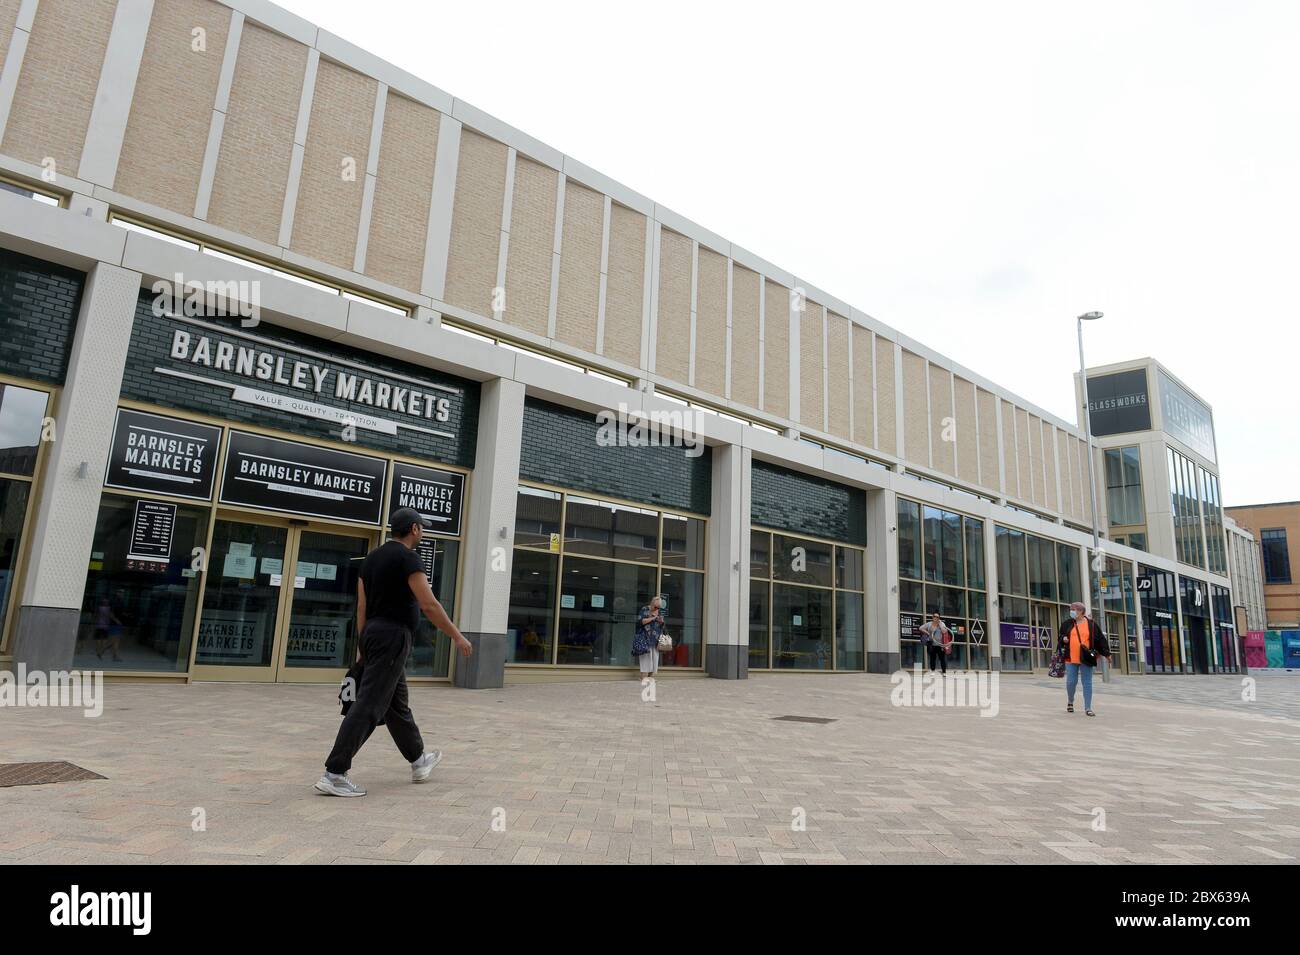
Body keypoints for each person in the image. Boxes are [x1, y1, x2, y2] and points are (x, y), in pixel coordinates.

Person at [316, 508, 473, 797]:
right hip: (393, 637)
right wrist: (457, 636)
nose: (422, 533)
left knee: (396, 706)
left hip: (374, 635)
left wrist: (363, 645)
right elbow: (429, 605)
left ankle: (418, 759)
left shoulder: (371, 559)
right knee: (370, 704)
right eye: (422, 528)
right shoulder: (408, 558)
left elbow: (361, 607)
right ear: (414, 529)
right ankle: (335, 772)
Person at [1057, 600, 1110, 716]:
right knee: (1071, 682)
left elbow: (1100, 639)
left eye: (1074, 609)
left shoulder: (1091, 624)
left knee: (1087, 682)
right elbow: (1061, 637)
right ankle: (1070, 701)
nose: (1071, 612)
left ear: (1081, 611)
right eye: (1071, 609)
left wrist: (1106, 653)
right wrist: (1064, 639)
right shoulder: (1067, 624)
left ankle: (1088, 708)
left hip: (1086, 658)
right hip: (1071, 657)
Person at [632, 595, 665, 679]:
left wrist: (661, 622)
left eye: (658, 607)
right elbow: (640, 622)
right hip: (645, 637)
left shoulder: (659, 611)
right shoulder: (645, 609)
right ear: (652, 603)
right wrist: (653, 618)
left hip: (655, 638)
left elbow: (661, 626)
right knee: (645, 658)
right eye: (656, 606)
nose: (657, 608)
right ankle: (643, 677)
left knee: (654, 659)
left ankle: (650, 677)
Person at [93, 596, 122, 662]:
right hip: (108, 626)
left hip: (104, 626)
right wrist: (117, 621)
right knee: (111, 641)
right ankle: (101, 653)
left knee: (112, 641)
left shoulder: (101, 608)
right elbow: (111, 616)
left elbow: (96, 616)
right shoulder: (109, 608)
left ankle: (102, 653)